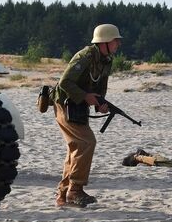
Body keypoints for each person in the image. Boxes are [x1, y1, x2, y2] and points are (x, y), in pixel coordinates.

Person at [52, 23, 122, 208]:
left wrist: (101, 104)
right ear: (105, 41)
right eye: (115, 41)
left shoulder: (106, 60)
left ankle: (64, 195)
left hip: (78, 106)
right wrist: (85, 96)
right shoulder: (85, 56)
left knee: (77, 147)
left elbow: (100, 88)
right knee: (86, 142)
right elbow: (64, 83)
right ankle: (75, 190)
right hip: (65, 104)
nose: (118, 44)